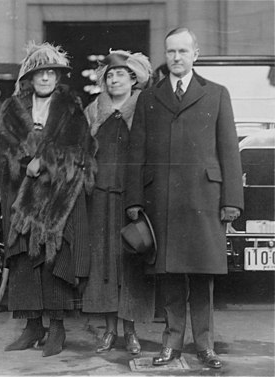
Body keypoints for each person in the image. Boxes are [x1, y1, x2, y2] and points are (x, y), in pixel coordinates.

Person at [126, 27, 244, 369]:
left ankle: (205, 346)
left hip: (204, 199)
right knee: (171, 275)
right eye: (171, 52)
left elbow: (229, 151)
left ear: (196, 54)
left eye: (183, 51)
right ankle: (172, 344)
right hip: (162, 201)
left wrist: (231, 201)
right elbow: (136, 153)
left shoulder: (217, 94)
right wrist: (134, 199)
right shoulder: (150, 97)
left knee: (203, 275)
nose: (176, 58)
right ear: (166, 56)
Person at [0, 42, 97, 357]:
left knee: (55, 260)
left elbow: (82, 150)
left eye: (51, 72)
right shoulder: (11, 107)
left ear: (58, 77)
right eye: (40, 73)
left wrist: (47, 159)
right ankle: (31, 327)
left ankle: (57, 328)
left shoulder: (70, 107)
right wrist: (27, 162)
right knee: (25, 260)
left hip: (58, 199)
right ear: (29, 76)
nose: (45, 78)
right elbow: (3, 145)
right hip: (22, 195)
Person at [82, 50, 155, 355]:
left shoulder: (144, 110)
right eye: (109, 75)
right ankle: (110, 331)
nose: (114, 79)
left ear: (133, 78)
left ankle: (131, 331)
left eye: (120, 74)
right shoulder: (92, 112)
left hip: (132, 202)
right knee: (104, 265)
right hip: (99, 200)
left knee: (131, 264)